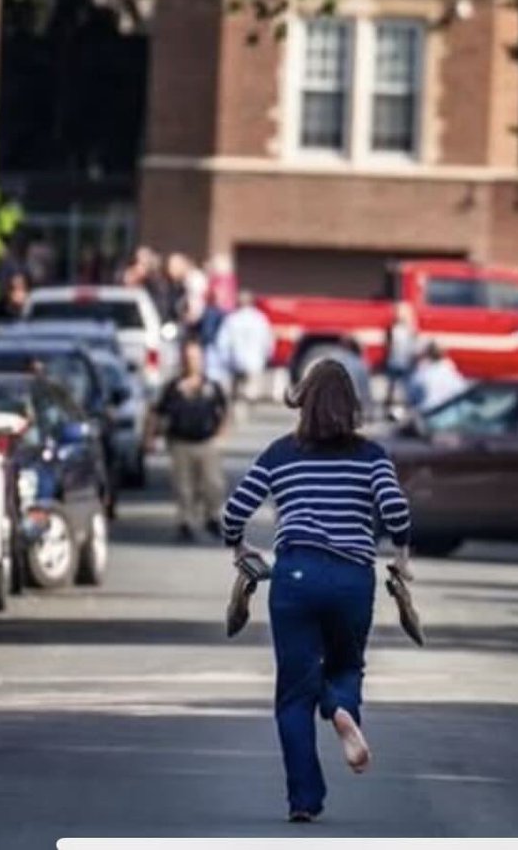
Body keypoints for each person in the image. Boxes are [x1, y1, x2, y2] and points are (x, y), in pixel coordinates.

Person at [222, 359, 413, 823]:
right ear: (351, 406)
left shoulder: (279, 453)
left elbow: (234, 511)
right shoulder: (371, 456)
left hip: (295, 577)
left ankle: (304, 800)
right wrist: (402, 553)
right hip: (351, 577)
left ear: (302, 401)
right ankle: (343, 708)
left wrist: (238, 546)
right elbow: (395, 510)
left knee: (293, 695)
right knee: (347, 663)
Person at [155, 338, 229, 541]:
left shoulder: (211, 386)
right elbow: (158, 412)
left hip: (207, 441)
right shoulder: (173, 387)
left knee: (213, 484)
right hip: (181, 442)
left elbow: (224, 410)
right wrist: (152, 436)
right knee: (183, 486)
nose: (192, 362)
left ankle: (212, 517)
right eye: (188, 358)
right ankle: (185, 522)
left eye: (195, 358)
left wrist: (222, 432)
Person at [217, 290, 275, 411]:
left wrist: (225, 361)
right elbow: (268, 340)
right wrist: (267, 357)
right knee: (251, 392)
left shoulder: (232, 319)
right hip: (255, 362)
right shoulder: (260, 319)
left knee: (238, 393)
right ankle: (249, 414)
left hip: (236, 362)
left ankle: (239, 414)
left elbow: (223, 343)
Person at [406, 342, 467, 412]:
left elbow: (411, 394)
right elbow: (461, 389)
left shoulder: (422, 373)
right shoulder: (449, 368)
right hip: (449, 411)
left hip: (433, 413)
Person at [382, 302, 417, 413]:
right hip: (395, 360)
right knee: (392, 387)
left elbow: (413, 346)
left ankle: (404, 408)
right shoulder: (393, 327)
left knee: (405, 387)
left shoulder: (411, 329)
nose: (398, 315)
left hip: (405, 361)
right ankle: (389, 408)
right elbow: (388, 344)